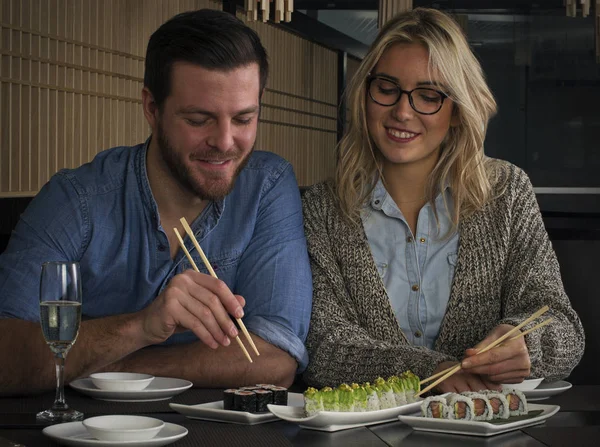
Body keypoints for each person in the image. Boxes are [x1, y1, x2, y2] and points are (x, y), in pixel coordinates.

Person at [0, 9, 312, 395]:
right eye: (199, 120)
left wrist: (109, 368)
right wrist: (141, 327)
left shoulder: (266, 186)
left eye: (244, 119)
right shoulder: (77, 200)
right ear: (152, 108)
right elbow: (6, 354)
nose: (226, 142)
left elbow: (275, 359)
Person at [301, 8, 584, 393]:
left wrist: (527, 342)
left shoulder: (506, 191)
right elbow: (323, 347)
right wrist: (433, 371)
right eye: (386, 88)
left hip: (486, 430)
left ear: (456, 109)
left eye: (429, 96)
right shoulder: (321, 209)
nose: (403, 112)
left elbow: (561, 324)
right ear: (364, 95)